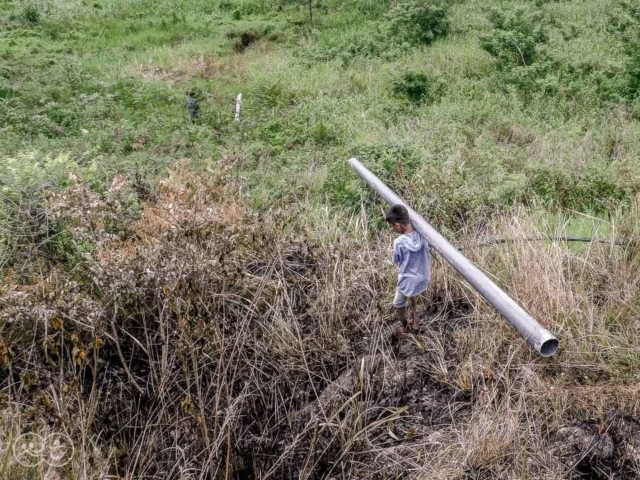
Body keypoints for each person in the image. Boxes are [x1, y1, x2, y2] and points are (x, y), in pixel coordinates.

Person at [386, 204, 431, 333]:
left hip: (408, 281)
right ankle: (415, 319)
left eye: (392, 226)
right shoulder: (422, 234)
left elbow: (396, 260)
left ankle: (404, 324)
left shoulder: (399, 242)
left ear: (398, 225)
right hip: (423, 278)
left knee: (398, 303)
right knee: (411, 292)